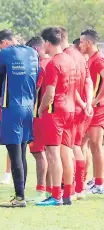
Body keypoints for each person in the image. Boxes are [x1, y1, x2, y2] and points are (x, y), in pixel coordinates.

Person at [0, 29, 39, 208]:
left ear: (4, 42)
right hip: (29, 107)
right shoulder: (32, 52)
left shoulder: (6, 53)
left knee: (14, 155)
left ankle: (19, 198)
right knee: (22, 153)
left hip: (12, 107)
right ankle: (21, 195)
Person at [36, 27, 77, 206]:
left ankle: (56, 196)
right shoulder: (71, 60)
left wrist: (40, 108)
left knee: (53, 154)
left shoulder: (53, 63)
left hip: (55, 112)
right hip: (70, 110)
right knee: (66, 153)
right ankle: (67, 194)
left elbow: (50, 94)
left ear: (47, 42)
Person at [60, 28, 93, 200]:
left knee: (69, 147)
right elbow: (88, 81)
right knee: (79, 146)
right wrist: (88, 103)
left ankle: (70, 188)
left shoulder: (67, 57)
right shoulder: (80, 56)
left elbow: (71, 85)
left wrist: (82, 103)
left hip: (72, 108)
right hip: (82, 110)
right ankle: (80, 188)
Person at [25, 36, 51, 201]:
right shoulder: (56, 62)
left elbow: (34, 90)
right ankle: (54, 189)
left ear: (34, 50)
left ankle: (42, 190)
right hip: (60, 113)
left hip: (40, 115)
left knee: (40, 153)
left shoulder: (40, 66)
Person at [80, 29, 104, 194]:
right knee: (83, 144)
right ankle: (85, 180)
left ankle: (99, 184)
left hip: (98, 110)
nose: (80, 45)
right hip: (90, 110)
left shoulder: (98, 60)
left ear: (89, 43)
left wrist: (96, 100)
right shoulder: (90, 59)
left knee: (95, 145)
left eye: (81, 42)